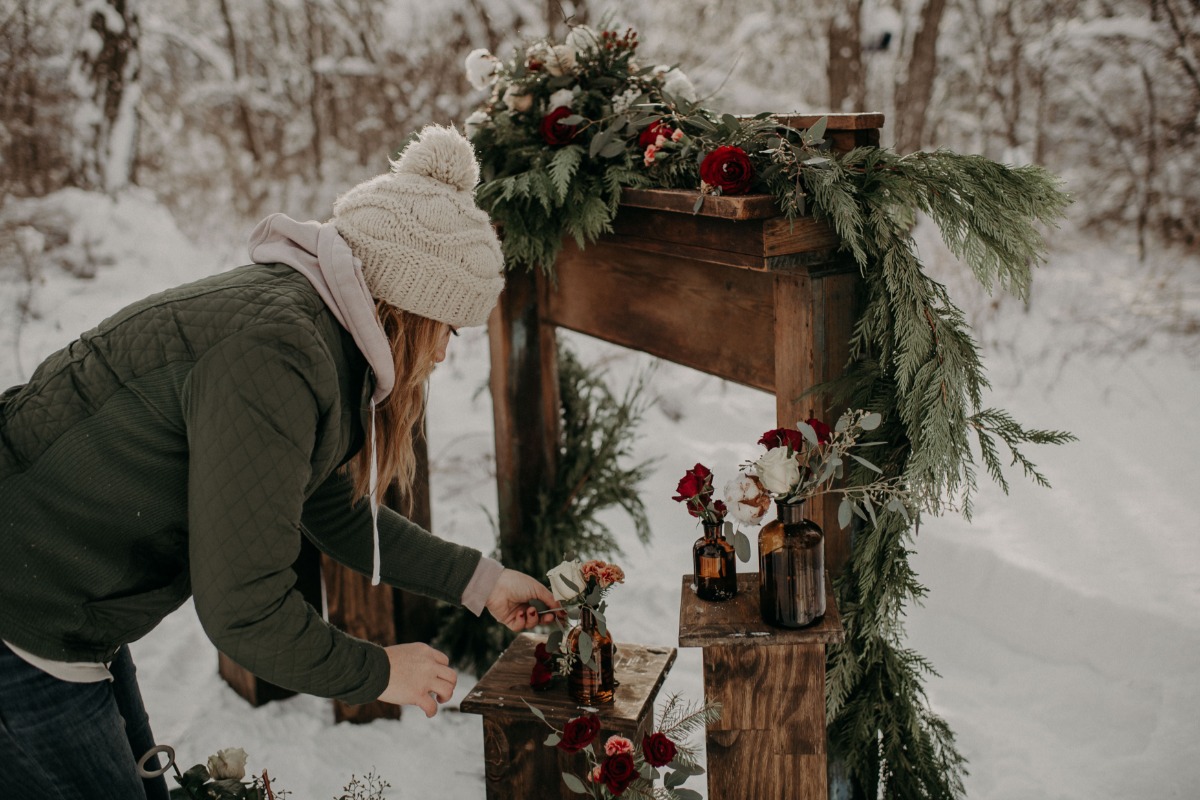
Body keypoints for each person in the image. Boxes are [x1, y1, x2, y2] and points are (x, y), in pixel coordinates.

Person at [0, 125, 558, 799]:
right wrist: (381, 671)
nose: (442, 355)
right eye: (447, 331)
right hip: (25, 614)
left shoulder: (313, 338)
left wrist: (483, 582)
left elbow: (329, 507)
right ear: (405, 311)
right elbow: (245, 611)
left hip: (60, 604)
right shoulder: (277, 356)